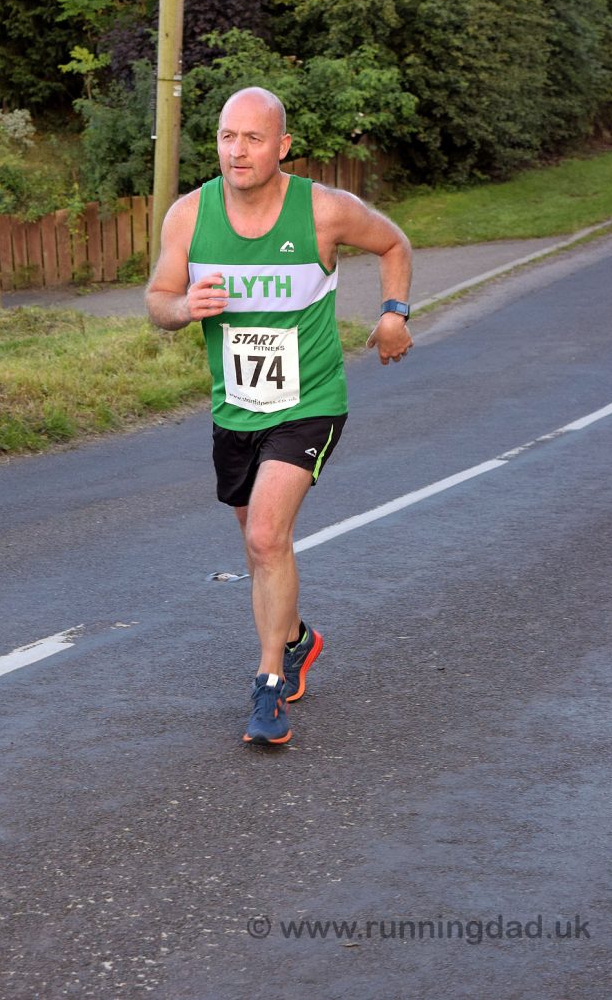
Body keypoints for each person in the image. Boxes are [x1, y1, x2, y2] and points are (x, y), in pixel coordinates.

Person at [146, 86, 413, 745]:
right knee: (256, 539)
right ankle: (294, 637)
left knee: (266, 537)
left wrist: (393, 313)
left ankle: (268, 685)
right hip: (236, 405)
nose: (238, 151)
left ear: (282, 146)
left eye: (254, 138)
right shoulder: (188, 215)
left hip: (310, 401)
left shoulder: (323, 210)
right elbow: (157, 297)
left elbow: (395, 244)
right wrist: (183, 309)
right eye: (228, 137)